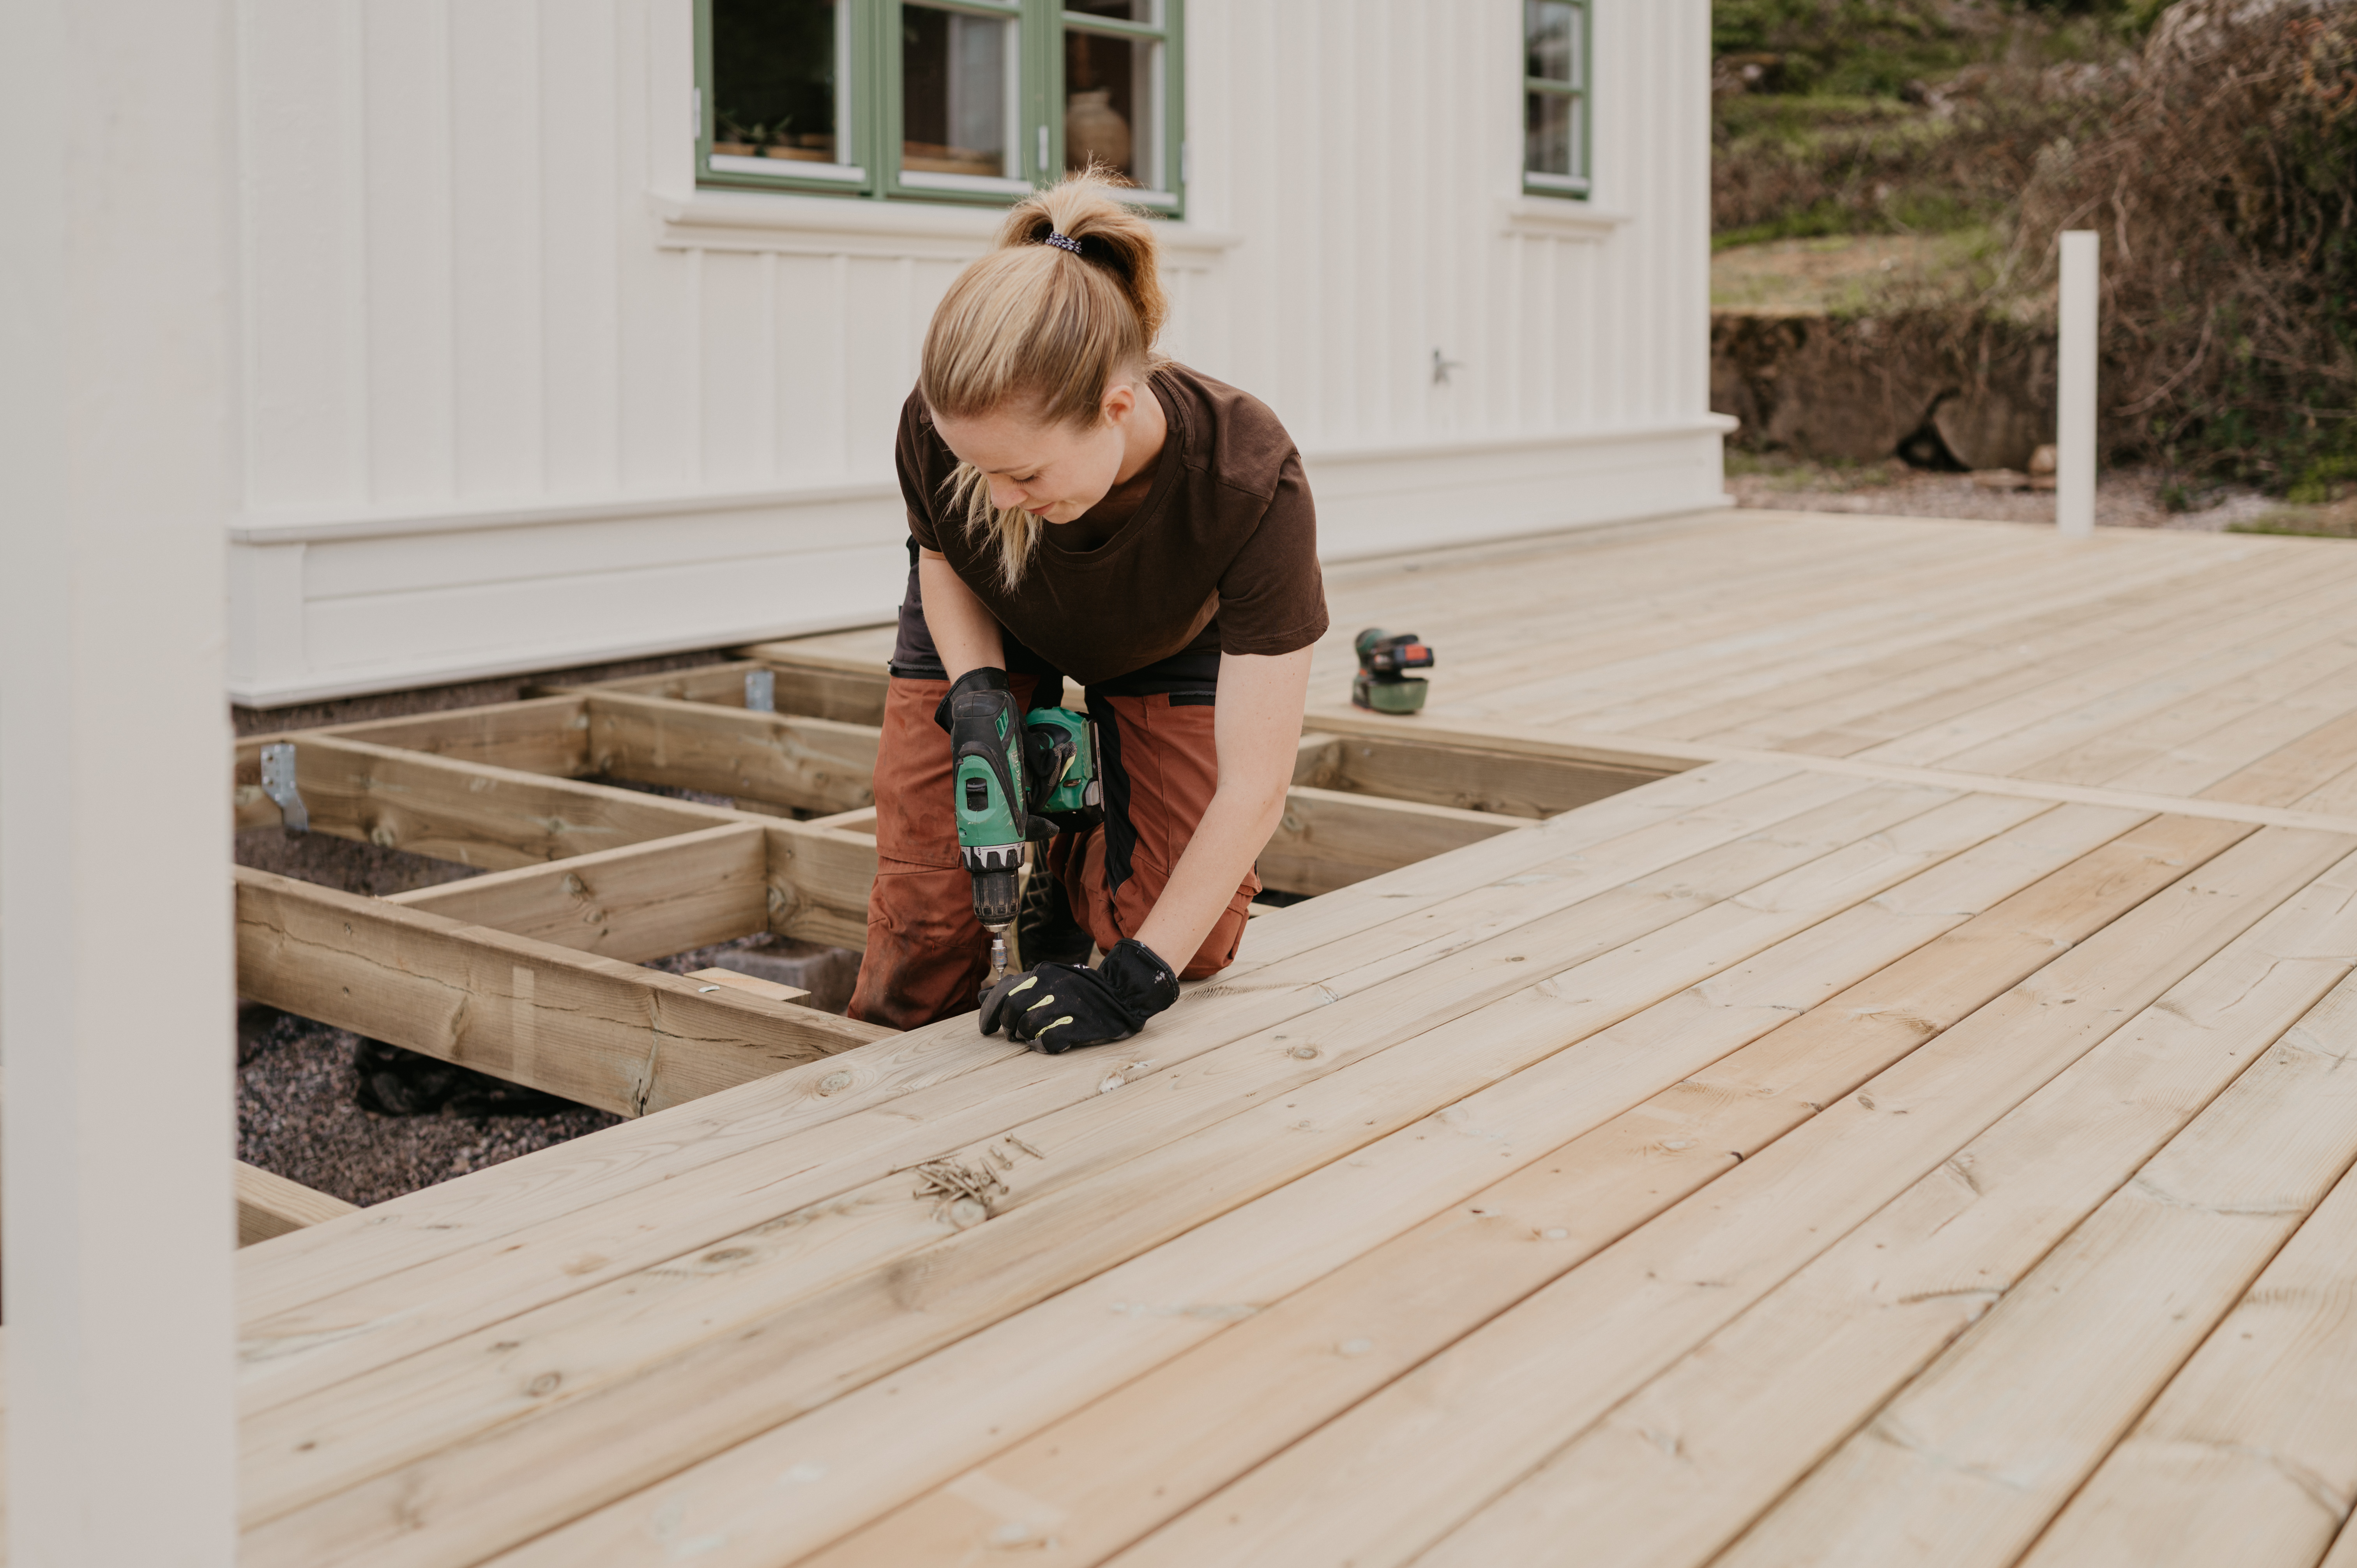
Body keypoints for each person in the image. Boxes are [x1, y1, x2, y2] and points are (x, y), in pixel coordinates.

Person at [845, 170, 1328, 1052]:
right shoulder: (950, 422)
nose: (993, 494)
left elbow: (1256, 785)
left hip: (1159, 640)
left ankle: (1072, 854)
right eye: (973, 468)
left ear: (1117, 407)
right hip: (989, 621)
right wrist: (979, 692)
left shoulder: (1246, 476)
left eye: (1024, 474)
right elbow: (945, 552)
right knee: (924, 925)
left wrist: (1133, 978)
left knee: (1196, 942)